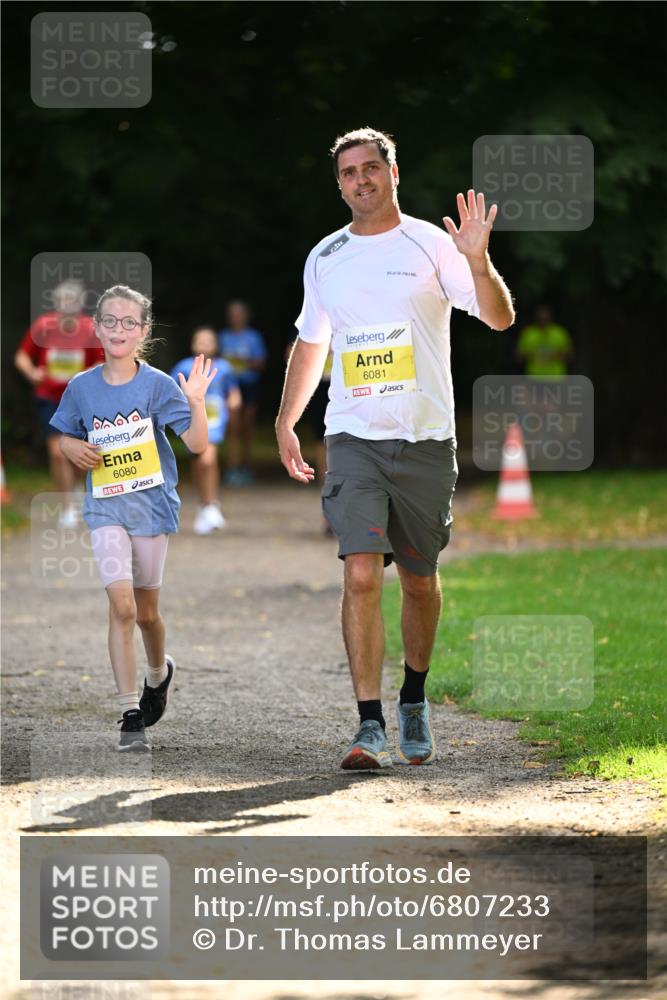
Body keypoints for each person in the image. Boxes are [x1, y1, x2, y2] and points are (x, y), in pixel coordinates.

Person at [275, 127, 514, 770]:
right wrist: (286, 422)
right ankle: (368, 724)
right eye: (349, 172)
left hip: (427, 441)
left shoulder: (432, 244)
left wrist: (478, 259)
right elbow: (311, 343)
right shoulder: (325, 257)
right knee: (358, 573)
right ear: (340, 185)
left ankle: (413, 698)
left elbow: (498, 317)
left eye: (371, 168)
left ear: (393, 172)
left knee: (419, 581)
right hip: (353, 437)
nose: (361, 180)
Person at [49, 284, 215, 751]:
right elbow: (64, 436)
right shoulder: (80, 387)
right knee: (120, 607)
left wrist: (197, 402)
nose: (119, 330)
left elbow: (198, 445)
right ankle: (129, 713)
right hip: (105, 508)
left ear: (143, 331)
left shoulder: (159, 385)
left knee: (146, 614)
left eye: (129, 323)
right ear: (97, 328)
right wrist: (73, 448)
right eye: (110, 321)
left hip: (151, 509)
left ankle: (158, 673)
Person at [14, 279, 105, 527]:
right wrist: (32, 373)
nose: (67, 306)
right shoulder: (44, 326)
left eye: (71, 302)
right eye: (63, 301)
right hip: (50, 399)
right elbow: (22, 356)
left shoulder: (88, 329)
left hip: (81, 401)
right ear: (56, 304)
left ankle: (76, 486)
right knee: (57, 452)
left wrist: (86, 378)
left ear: (79, 305)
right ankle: (68, 508)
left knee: (82, 453)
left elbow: (101, 361)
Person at [170, 325, 241, 534]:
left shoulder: (224, 368)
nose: (203, 345)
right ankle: (206, 505)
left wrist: (235, 401)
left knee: (208, 460)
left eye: (207, 341)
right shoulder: (183, 367)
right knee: (198, 462)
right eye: (199, 341)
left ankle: (211, 504)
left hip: (214, 422)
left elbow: (233, 391)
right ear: (192, 344)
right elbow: (170, 391)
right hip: (190, 421)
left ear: (216, 345)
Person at [218, 300, 267, 485]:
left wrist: (243, 362)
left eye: (239, 314)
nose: (235, 318)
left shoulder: (253, 337)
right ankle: (232, 468)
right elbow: (217, 359)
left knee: (246, 428)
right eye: (232, 314)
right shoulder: (223, 336)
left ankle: (246, 467)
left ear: (246, 316)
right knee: (233, 427)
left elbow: (261, 363)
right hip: (230, 386)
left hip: (250, 385)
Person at [516, 305, 573, 380]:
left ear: (550, 317)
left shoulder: (559, 333)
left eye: (545, 317)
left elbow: (569, 354)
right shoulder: (529, 333)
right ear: (536, 318)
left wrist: (554, 356)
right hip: (534, 376)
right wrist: (532, 355)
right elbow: (519, 355)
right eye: (541, 317)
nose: (543, 319)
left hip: (556, 377)